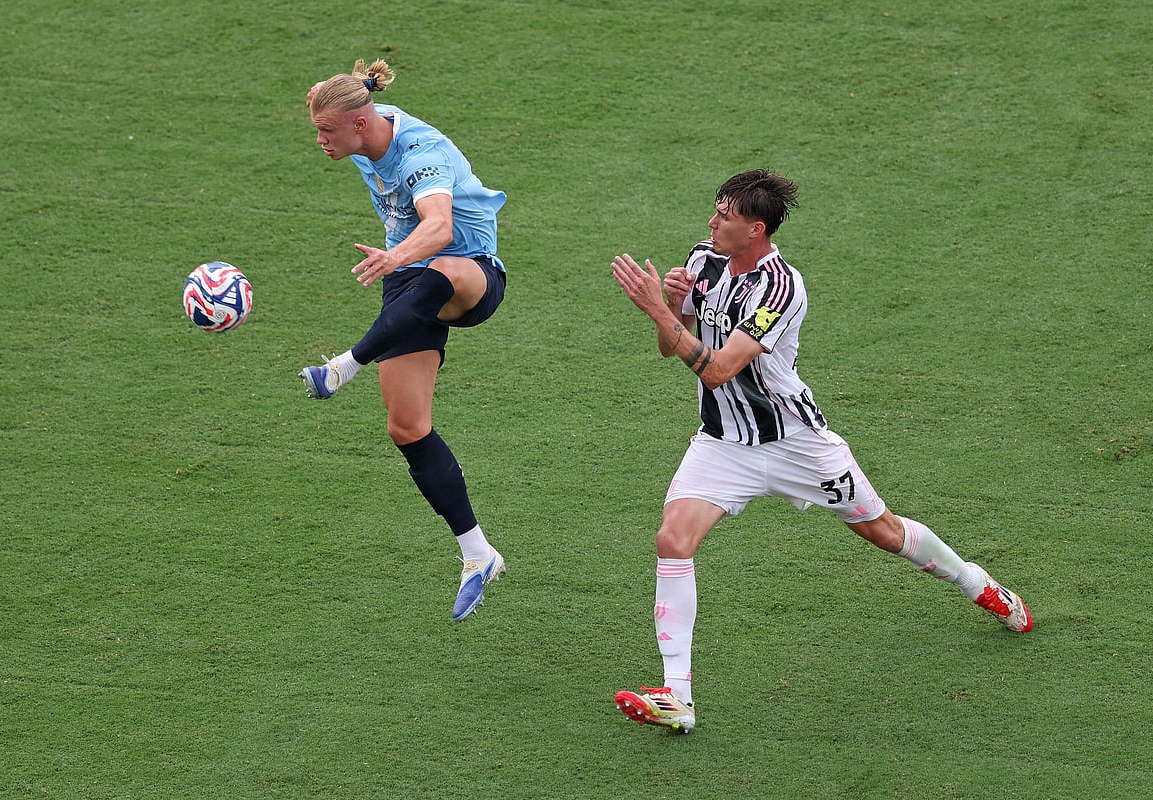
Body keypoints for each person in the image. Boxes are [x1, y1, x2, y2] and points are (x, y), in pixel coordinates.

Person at [609, 169, 1032, 733]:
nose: (711, 222)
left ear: (755, 229)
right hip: (723, 444)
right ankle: (676, 697)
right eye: (714, 210)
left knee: (885, 533)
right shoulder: (704, 260)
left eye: (724, 216)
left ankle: (978, 584)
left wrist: (656, 311)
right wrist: (676, 306)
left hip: (797, 445)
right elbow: (673, 350)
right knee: (672, 539)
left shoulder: (781, 287)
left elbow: (719, 370)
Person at [297, 59, 507, 621]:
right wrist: (398, 261)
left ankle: (345, 364)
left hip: (469, 272)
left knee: (445, 266)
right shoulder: (360, 125)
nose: (320, 141)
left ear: (361, 124)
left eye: (326, 131)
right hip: (408, 274)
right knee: (407, 426)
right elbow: (334, 95)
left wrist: (396, 254)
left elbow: (438, 228)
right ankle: (477, 553)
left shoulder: (421, 155)